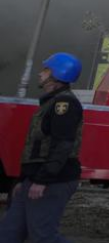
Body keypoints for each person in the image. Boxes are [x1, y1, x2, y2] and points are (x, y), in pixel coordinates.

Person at [0, 53, 84, 243]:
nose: (40, 74)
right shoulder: (50, 103)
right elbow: (36, 146)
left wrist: (43, 180)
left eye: (45, 70)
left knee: (43, 236)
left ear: (57, 74)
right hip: (35, 178)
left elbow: (63, 145)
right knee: (8, 233)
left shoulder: (65, 104)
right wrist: (23, 180)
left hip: (53, 180)